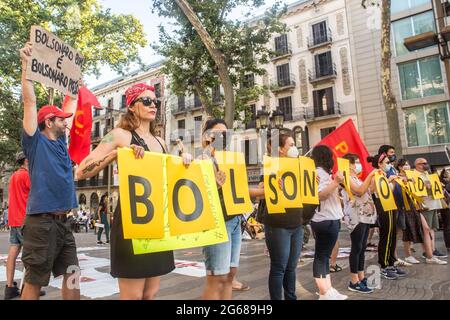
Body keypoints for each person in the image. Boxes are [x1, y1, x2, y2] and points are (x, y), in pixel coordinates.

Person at [76, 82, 191, 299]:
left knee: (150, 293)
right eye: (146, 100)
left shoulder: (161, 142)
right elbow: (81, 171)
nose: (153, 105)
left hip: (157, 220)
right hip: (131, 219)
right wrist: (115, 155)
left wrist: (184, 165)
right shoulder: (119, 135)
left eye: (155, 101)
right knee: (133, 296)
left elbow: (169, 180)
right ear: (131, 106)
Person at [19, 43, 80, 300]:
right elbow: (30, 101)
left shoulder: (62, 143)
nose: (66, 122)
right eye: (61, 119)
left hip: (64, 222)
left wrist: (74, 77)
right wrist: (26, 66)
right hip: (41, 223)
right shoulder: (35, 141)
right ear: (48, 122)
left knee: (74, 276)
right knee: (34, 282)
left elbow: (73, 101)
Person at [249, 131, 304, 300]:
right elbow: (261, 192)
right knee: (279, 266)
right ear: (280, 149)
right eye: (291, 145)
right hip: (278, 224)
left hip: (297, 222)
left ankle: (291, 297)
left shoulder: (299, 166)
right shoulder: (270, 166)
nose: (294, 148)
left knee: (291, 267)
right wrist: (271, 185)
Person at [197, 118, 243, 300]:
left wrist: (265, 191)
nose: (224, 136)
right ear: (208, 136)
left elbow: (238, 190)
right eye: (219, 133)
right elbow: (195, 195)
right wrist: (213, 186)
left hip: (235, 221)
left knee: (230, 276)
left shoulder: (228, 159)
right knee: (217, 279)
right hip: (217, 223)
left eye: (227, 133)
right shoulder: (202, 159)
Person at [4, 153, 45, 299]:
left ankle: (9, 287)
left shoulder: (13, 176)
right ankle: (28, 287)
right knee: (31, 255)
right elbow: (38, 194)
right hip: (25, 219)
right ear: (26, 161)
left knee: (13, 252)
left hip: (14, 219)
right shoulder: (27, 176)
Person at [310, 145, 348, 300]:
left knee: (325, 257)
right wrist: (335, 183)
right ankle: (324, 292)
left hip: (330, 218)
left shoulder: (325, 173)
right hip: (324, 220)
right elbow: (320, 195)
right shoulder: (318, 173)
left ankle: (328, 288)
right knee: (322, 256)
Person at [397, 159, 446, 265]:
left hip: (417, 206)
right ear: (400, 167)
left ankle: (429, 255)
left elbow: (418, 190)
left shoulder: (412, 176)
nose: (407, 166)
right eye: (405, 165)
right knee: (407, 232)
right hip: (406, 207)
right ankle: (406, 255)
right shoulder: (398, 178)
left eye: (408, 164)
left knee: (426, 229)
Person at [342, 153, 377, 293]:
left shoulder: (356, 177)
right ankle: (353, 280)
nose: (358, 164)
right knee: (356, 248)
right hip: (356, 216)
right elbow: (360, 191)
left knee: (362, 248)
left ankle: (361, 277)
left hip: (365, 216)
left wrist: (374, 178)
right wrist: (370, 175)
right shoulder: (345, 178)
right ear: (348, 164)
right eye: (355, 161)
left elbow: (369, 190)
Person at [367, 153, 405, 280]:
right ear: (379, 163)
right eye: (387, 162)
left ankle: (391, 262)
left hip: (390, 204)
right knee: (386, 236)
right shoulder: (374, 174)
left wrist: (393, 181)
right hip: (382, 206)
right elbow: (371, 190)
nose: (389, 165)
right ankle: (384, 265)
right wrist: (388, 180)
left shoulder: (383, 174)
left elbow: (389, 190)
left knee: (392, 235)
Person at [414, 158, 447, 258]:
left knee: (432, 228)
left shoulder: (427, 174)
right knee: (426, 229)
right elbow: (417, 190)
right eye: (423, 163)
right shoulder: (415, 175)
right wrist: (426, 187)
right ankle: (427, 251)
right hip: (426, 205)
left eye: (426, 163)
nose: (425, 164)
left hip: (433, 203)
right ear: (417, 165)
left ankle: (433, 249)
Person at [439, 169, 450, 252]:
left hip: (445, 206)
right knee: (447, 226)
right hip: (446, 206)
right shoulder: (443, 183)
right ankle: (448, 245)